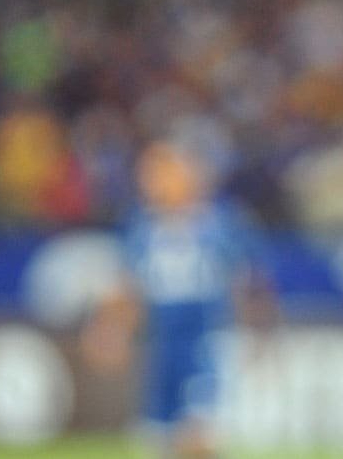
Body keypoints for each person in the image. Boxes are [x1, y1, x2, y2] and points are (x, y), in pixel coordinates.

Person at [81, 140, 273, 459]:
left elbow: (251, 283)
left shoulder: (219, 226)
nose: (153, 184)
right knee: (156, 443)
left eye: (161, 174)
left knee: (198, 441)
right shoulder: (142, 229)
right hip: (160, 352)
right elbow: (130, 289)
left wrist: (259, 335)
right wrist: (108, 330)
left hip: (204, 347)